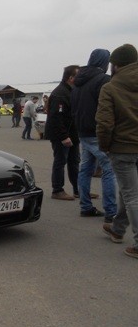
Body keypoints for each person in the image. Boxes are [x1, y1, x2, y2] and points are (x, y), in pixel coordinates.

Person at [96, 43, 138, 259]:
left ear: (117, 65)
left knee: (131, 195)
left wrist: (105, 146)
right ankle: (118, 228)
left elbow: (104, 123)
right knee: (128, 191)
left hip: (123, 148)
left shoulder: (111, 87)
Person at [71, 48, 116, 221]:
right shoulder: (104, 80)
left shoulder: (78, 81)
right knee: (108, 170)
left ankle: (85, 206)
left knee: (85, 169)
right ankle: (111, 211)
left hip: (82, 130)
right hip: (97, 131)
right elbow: (107, 107)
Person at [45, 65, 80, 200]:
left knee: (74, 161)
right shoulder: (60, 93)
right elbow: (56, 117)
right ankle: (57, 190)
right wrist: (64, 136)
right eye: (78, 76)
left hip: (72, 133)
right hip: (61, 135)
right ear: (71, 78)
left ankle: (78, 189)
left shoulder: (72, 91)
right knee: (60, 161)